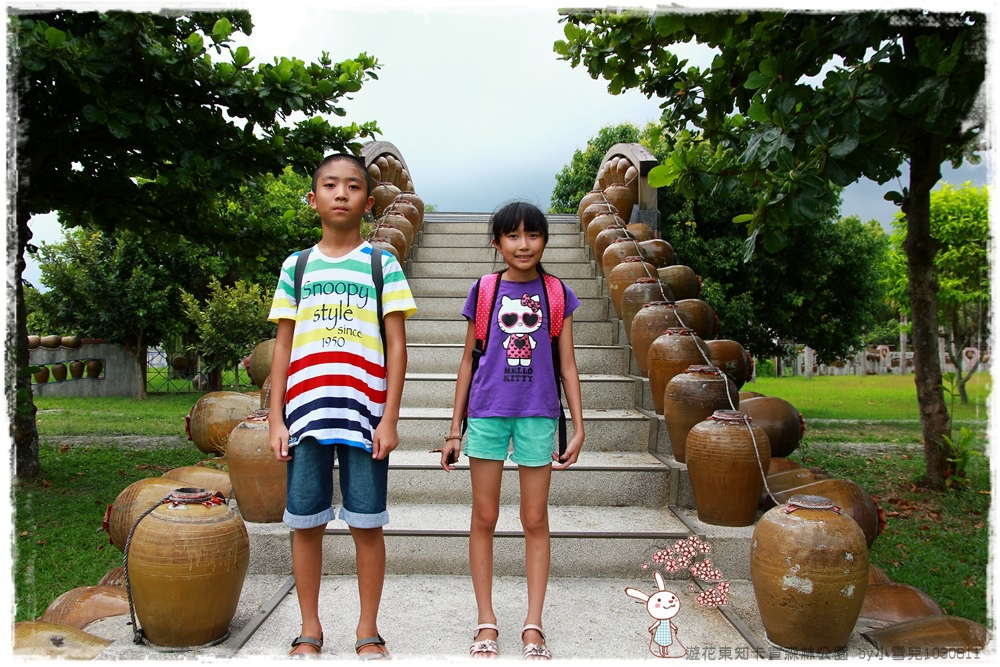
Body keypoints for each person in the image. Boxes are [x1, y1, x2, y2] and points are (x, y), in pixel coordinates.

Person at [268, 153, 416, 659]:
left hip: (365, 417)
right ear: (313, 199)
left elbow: (396, 346)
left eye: (352, 186)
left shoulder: (382, 264)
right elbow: (283, 346)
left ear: (369, 203)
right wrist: (275, 419)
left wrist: (390, 418)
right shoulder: (297, 265)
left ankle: (367, 629)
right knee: (304, 525)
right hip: (305, 417)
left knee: (367, 524)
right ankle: (310, 628)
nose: (340, 193)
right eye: (329, 185)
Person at [440, 201, 584, 660]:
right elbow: (468, 361)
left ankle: (533, 625)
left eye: (534, 235)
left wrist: (579, 426)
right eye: (513, 236)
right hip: (486, 413)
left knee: (534, 520)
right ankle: (486, 623)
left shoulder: (557, 293)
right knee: (484, 518)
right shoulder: (485, 291)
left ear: (544, 240)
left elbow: (567, 364)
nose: (524, 245)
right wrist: (452, 430)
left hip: (538, 414)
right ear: (497, 242)